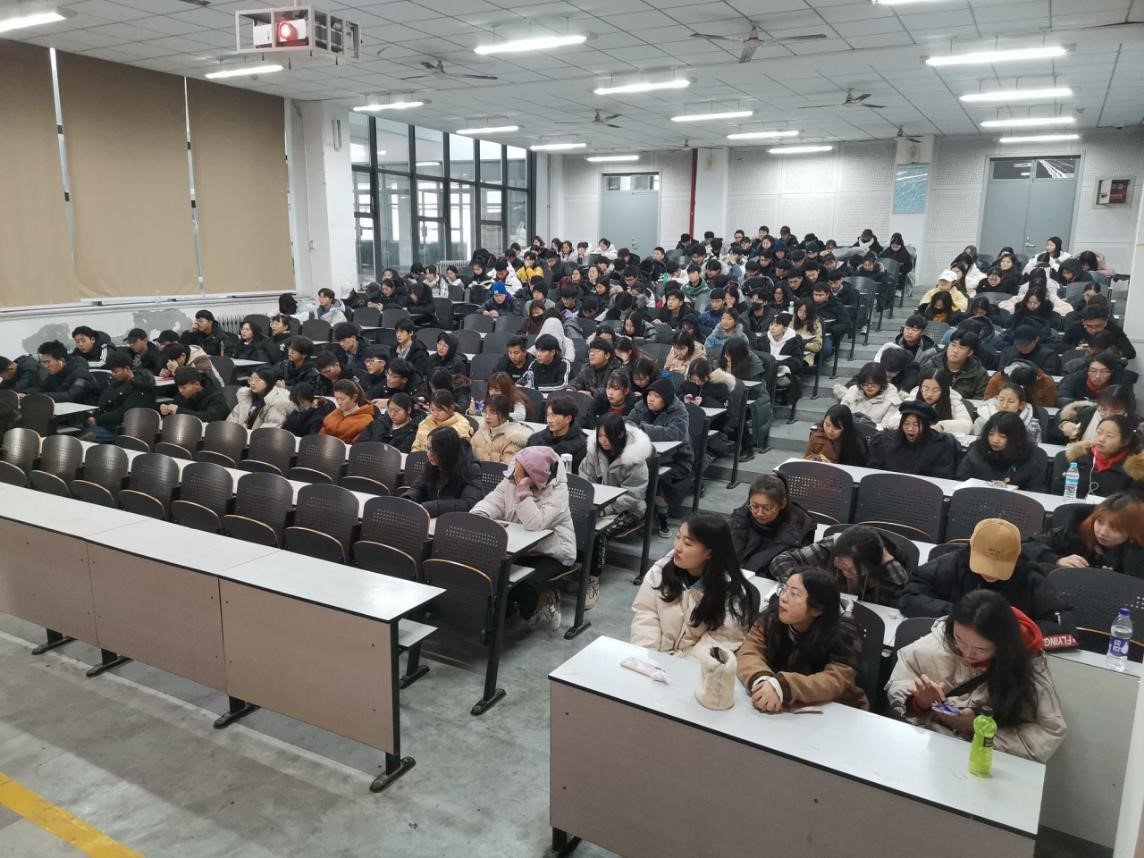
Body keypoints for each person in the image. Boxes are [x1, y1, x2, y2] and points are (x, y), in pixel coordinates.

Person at [892, 593, 1070, 767]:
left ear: (1003, 644)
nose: (968, 653)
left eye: (980, 649)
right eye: (960, 639)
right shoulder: (941, 640)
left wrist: (979, 729)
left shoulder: (1025, 664)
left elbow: (1048, 732)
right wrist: (919, 702)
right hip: (929, 751)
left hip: (986, 763)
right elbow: (902, 677)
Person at [900, 519, 1073, 635]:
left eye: (1000, 564)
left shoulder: (1030, 578)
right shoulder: (951, 565)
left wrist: (1016, 631)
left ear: (1017, 556)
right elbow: (909, 597)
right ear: (971, 549)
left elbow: (1065, 627)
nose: (990, 573)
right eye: (984, 563)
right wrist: (961, 614)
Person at [472, 447, 576, 631]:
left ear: (534, 477)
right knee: (491, 575)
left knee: (523, 585)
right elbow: (492, 502)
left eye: (520, 474)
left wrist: (523, 491)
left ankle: (545, 600)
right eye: (516, 470)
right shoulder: (511, 479)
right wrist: (479, 516)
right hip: (519, 547)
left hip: (552, 552)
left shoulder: (558, 494)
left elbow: (535, 523)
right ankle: (493, 621)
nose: (515, 476)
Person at [736, 568, 868, 711]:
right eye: (784, 589)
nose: (783, 598)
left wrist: (783, 686)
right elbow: (749, 651)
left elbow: (835, 680)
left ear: (817, 609)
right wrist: (762, 680)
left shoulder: (845, 633)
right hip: (783, 705)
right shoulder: (772, 618)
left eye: (794, 594)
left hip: (835, 708)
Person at [632, 514, 759, 659]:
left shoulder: (732, 592)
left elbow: (722, 641)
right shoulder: (659, 571)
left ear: (709, 553)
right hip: (656, 659)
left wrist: (681, 665)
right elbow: (646, 615)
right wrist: (647, 657)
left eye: (687, 543)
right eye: (678, 537)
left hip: (697, 666)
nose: (678, 547)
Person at [771, 525, 911, 606]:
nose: (846, 573)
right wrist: (804, 584)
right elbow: (780, 561)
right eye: (842, 566)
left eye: (854, 570)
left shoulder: (893, 574)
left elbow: (893, 613)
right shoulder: (829, 548)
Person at [1023, 493, 1144, 577]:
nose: (1102, 532)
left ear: (1132, 531)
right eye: (1099, 521)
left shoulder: (1137, 554)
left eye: (1114, 528)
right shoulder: (1074, 530)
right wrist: (1056, 559)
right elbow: (1026, 545)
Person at [631, 378, 693, 536]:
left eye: (656, 396)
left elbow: (675, 434)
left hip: (676, 460)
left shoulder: (679, 411)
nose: (650, 399)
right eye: (649, 394)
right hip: (644, 457)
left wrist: (643, 429)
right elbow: (628, 422)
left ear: (666, 398)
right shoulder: (641, 406)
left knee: (654, 478)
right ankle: (636, 514)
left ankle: (659, 516)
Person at [730, 474, 815, 575]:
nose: (759, 513)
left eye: (767, 508)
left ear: (782, 504)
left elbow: (793, 573)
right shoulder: (740, 518)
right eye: (754, 506)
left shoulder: (798, 533)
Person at [1053, 414, 1144, 498]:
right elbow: (1058, 491)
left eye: (1109, 436)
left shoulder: (1134, 471)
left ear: (1124, 441)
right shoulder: (1076, 458)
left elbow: (1132, 503)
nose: (1101, 439)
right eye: (1099, 432)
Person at [403, 426, 484, 516]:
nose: (429, 454)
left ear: (446, 451)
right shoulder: (433, 463)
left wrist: (428, 507)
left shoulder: (471, 468)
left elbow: (468, 503)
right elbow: (418, 487)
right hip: (431, 515)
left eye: (434, 450)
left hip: (454, 520)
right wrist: (408, 500)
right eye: (428, 448)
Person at [956, 412, 1048, 491]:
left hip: (1017, 503)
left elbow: (1036, 491)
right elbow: (961, 480)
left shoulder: (1034, 456)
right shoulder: (978, 449)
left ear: (1016, 437)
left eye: (1002, 436)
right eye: (990, 434)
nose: (995, 440)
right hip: (978, 499)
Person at [868, 400, 958, 479]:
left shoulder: (940, 445)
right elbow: (874, 470)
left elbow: (942, 477)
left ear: (926, 426)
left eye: (916, 425)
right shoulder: (885, 440)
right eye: (906, 424)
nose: (910, 429)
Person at [80, 352, 156, 443]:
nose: (113, 374)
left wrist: (97, 419)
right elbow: (102, 401)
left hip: (120, 429)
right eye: (112, 372)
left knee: (81, 438)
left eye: (116, 371)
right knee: (76, 431)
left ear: (127, 369)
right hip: (106, 424)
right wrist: (92, 416)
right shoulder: (116, 382)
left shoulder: (139, 387)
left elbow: (123, 413)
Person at [889, 368, 972, 434]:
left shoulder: (953, 400)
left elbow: (967, 424)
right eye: (926, 388)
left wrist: (942, 427)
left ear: (943, 390)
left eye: (935, 390)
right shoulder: (913, 397)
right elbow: (893, 420)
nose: (929, 394)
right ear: (920, 387)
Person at [918, 330, 989, 400]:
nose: (955, 351)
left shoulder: (979, 373)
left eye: (961, 348)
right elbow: (919, 391)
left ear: (970, 352)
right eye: (953, 345)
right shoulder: (931, 365)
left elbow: (978, 401)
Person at [525, 393, 587, 471]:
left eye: (554, 415)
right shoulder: (535, 439)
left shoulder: (581, 445)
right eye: (548, 415)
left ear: (568, 418)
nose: (549, 420)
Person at [1055, 384, 1135, 444]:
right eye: (1103, 409)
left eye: (1115, 411)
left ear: (1126, 410)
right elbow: (1059, 420)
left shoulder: (1134, 426)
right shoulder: (1088, 412)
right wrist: (1065, 424)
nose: (1108, 415)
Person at [1058, 350, 1135, 409]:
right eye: (1093, 371)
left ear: (1112, 371)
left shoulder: (1122, 381)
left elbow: (1129, 405)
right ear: (1087, 370)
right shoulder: (1075, 378)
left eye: (1104, 371)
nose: (1098, 376)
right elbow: (1063, 397)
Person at [832, 362, 902, 426]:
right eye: (866, 383)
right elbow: (841, 415)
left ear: (882, 382)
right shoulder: (853, 391)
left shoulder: (891, 398)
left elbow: (886, 426)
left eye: (874, 383)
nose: (869, 386)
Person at [971, 381, 1043, 442]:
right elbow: (975, 445)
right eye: (1001, 400)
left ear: (1021, 405)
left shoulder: (1031, 425)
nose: (1004, 405)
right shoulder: (983, 421)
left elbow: (1034, 448)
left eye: (1010, 401)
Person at [225, 367, 293, 431]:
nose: (252, 383)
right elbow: (232, 419)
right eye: (250, 380)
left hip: (260, 438)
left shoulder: (278, 402)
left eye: (257, 380)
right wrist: (239, 429)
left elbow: (269, 430)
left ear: (269, 382)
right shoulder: (246, 396)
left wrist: (245, 432)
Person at [470, 395, 531, 465]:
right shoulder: (480, 431)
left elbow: (507, 467)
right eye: (485, 412)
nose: (487, 416)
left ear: (504, 416)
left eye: (493, 413)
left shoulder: (513, 438)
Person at [804, 403, 869, 465]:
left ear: (846, 428)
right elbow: (807, 460)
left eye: (836, 428)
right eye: (827, 424)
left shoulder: (857, 441)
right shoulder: (816, 434)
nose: (829, 431)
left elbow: (858, 467)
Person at [356, 392, 420, 451]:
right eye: (390, 410)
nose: (392, 414)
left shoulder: (415, 431)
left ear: (408, 410)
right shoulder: (378, 423)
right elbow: (360, 444)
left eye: (396, 411)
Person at [161, 366, 229, 421]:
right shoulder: (184, 394)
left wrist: (179, 411)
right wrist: (167, 409)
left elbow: (209, 417)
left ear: (197, 384)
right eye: (178, 387)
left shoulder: (216, 396)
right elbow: (175, 405)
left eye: (184, 387)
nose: (180, 390)